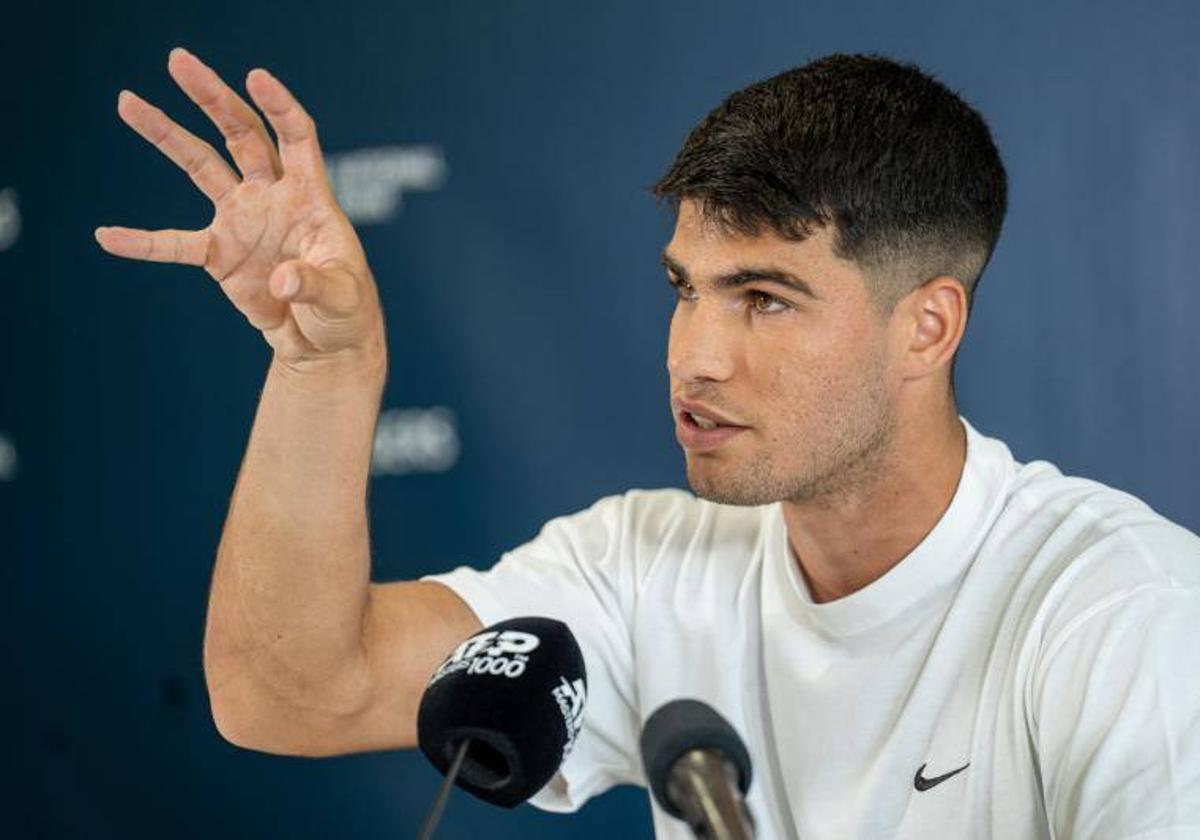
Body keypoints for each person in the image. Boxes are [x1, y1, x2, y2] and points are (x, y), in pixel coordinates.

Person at [95, 47, 1200, 839]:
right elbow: (293, 693)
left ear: (927, 325)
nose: (695, 356)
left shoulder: (1119, 609)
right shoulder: (646, 565)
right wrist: (322, 366)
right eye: (687, 291)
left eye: (764, 299)